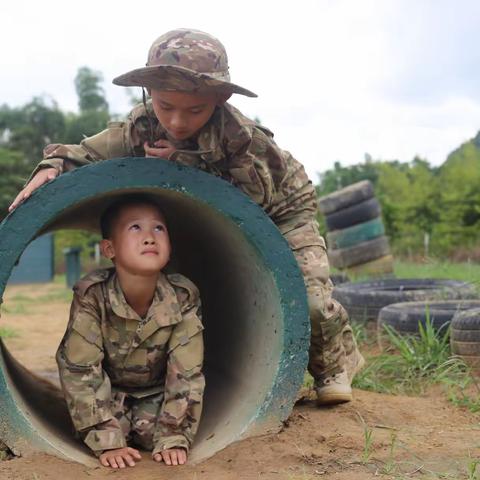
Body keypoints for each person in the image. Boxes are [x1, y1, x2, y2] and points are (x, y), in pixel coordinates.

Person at [13, 28, 363, 405]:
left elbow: (251, 199)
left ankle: (334, 366)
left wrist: (179, 163)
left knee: (309, 300)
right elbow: (88, 153)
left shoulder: (239, 137)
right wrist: (52, 165)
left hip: (283, 210)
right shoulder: (141, 125)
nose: (178, 122)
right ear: (149, 96)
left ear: (219, 98)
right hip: (227, 216)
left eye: (195, 110)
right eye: (166, 106)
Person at [56, 194, 205, 468]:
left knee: (152, 435)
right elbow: (79, 369)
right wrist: (105, 438)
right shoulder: (92, 295)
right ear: (109, 249)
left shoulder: (182, 295)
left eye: (158, 228)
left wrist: (174, 434)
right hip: (108, 393)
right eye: (135, 227)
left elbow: (187, 371)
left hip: (156, 393)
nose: (150, 237)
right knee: (112, 434)